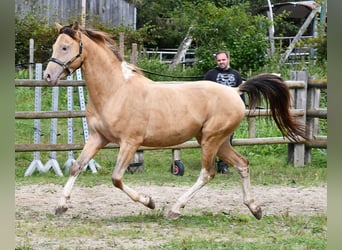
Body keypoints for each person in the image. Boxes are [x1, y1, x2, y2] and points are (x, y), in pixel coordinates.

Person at [204, 50, 245, 174]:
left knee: (227, 139)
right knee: (211, 138)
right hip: (214, 113)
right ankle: (209, 164)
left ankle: (223, 166)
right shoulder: (210, 75)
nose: (221, 62)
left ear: (228, 59)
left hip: (229, 113)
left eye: (223, 59)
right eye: (219, 60)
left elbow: (240, 94)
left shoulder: (236, 75)